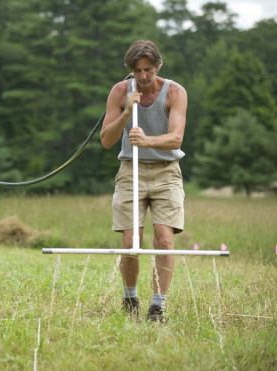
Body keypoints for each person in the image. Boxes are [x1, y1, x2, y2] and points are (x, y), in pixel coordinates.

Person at [100, 40, 187, 322]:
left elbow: (176, 137)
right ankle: (130, 300)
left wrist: (147, 140)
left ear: (158, 66)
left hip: (166, 171)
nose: (143, 76)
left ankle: (157, 306)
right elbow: (105, 140)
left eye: (148, 69)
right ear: (131, 70)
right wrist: (126, 111)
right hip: (130, 170)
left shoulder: (175, 91)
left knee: (163, 240)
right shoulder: (118, 91)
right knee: (130, 242)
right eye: (137, 71)